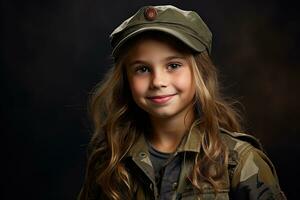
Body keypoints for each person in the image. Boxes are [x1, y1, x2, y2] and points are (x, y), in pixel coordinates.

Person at [78, 5, 286, 200]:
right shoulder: (110, 160)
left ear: (199, 73)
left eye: (173, 65)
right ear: (125, 79)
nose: (158, 81)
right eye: (142, 69)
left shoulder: (239, 161)